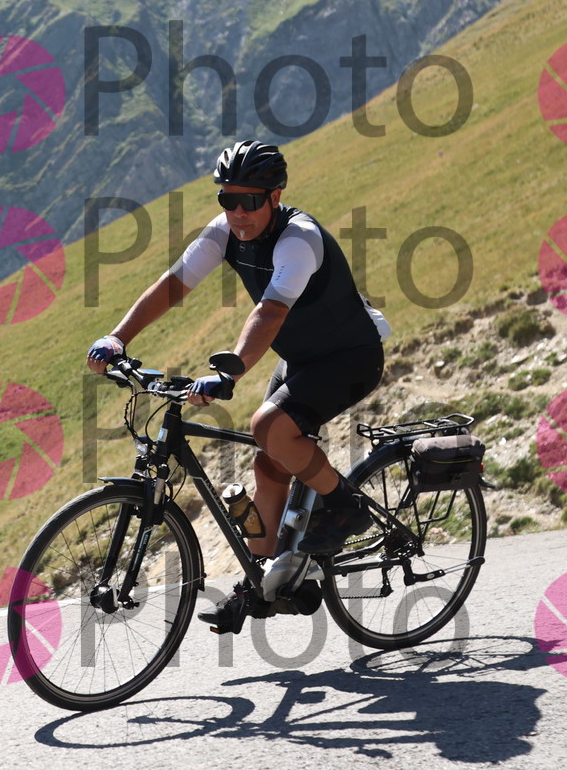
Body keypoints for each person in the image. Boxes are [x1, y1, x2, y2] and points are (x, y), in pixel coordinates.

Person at [85, 140, 390, 634]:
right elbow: (173, 285)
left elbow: (271, 311)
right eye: (228, 199)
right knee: (269, 462)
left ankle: (346, 506)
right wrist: (118, 337)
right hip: (300, 359)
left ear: (275, 196)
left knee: (269, 427)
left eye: (249, 200)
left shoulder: (298, 239)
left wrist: (231, 373)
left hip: (350, 356)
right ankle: (261, 584)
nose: (238, 212)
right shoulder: (224, 232)